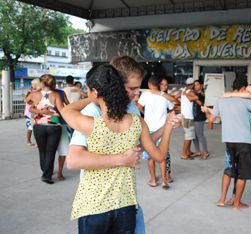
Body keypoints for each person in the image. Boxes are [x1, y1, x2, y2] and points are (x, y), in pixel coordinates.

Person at [61, 64, 178, 233]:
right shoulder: (137, 122)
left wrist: (94, 96)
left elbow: (66, 110)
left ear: (94, 91)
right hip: (125, 205)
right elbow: (160, 156)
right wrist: (167, 128)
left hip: (94, 205)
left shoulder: (91, 124)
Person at [202, 77, 251, 210]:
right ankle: (237, 203)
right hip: (243, 142)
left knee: (229, 170)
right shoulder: (245, 101)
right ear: (243, 89)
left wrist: (207, 111)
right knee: (242, 173)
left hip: (228, 142)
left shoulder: (221, 100)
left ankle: (222, 200)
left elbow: (212, 119)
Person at [223, 84, 251, 208]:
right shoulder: (242, 105)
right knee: (239, 170)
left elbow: (248, 96)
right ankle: (234, 196)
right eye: (245, 91)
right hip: (245, 142)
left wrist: (230, 94)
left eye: (249, 92)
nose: (246, 94)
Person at [137, 76, 175, 189]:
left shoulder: (145, 95)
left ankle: (153, 180)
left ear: (149, 84)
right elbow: (173, 107)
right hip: (162, 129)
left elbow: (138, 107)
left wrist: (145, 115)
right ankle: (164, 181)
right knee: (162, 155)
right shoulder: (164, 96)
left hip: (148, 130)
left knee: (150, 157)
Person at [26, 74, 64, 184]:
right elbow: (61, 110)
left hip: (38, 126)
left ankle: (45, 171)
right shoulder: (56, 94)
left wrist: (40, 111)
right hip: (53, 126)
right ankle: (46, 176)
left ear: (42, 83)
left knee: (42, 151)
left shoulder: (35, 94)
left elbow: (29, 105)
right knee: (50, 152)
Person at [187, 80, 209, 160]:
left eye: (197, 84)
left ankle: (206, 152)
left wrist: (186, 94)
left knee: (200, 135)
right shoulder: (195, 94)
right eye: (194, 85)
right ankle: (197, 151)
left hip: (200, 117)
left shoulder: (201, 94)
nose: (196, 86)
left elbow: (190, 98)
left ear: (201, 86)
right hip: (193, 117)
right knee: (194, 136)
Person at [177, 77, 197, 160]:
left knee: (190, 135)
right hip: (188, 117)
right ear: (192, 84)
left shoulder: (183, 91)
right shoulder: (190, 92)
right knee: (188, 136)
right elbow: (196, 97)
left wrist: (181, 102)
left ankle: (188, 152)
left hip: (185, 116)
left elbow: (175, 97)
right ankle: (183, 154)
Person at [24, 78, 41, 147]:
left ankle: (38, 142)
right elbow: (26, 100)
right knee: (30, 128)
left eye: (32, 84)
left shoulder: (40, 92)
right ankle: (28, 140)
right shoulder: (30, 92)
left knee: (37, 128)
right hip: (29, 113)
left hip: (37, 112)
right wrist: (34, 103)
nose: (31, 85)